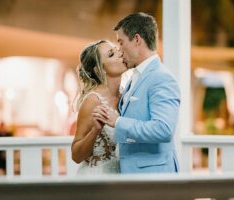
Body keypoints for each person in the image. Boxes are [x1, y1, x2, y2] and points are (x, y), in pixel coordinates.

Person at [93, 13, 181, 173]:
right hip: (133, 176)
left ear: (137, 40)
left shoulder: (162, 78)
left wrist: (118, 122)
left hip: (153, 179)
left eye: (121, 42)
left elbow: (164, 129)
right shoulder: (135, 77)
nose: (119, 50)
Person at [71, 40, 127, 174]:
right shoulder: (93, 100)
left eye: (116, 49)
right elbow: (76, 156)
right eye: (111, 54)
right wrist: (95, 130)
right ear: (99, 69)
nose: (120, 53)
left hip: (123, 175)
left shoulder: (125, 93)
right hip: (98, 177)